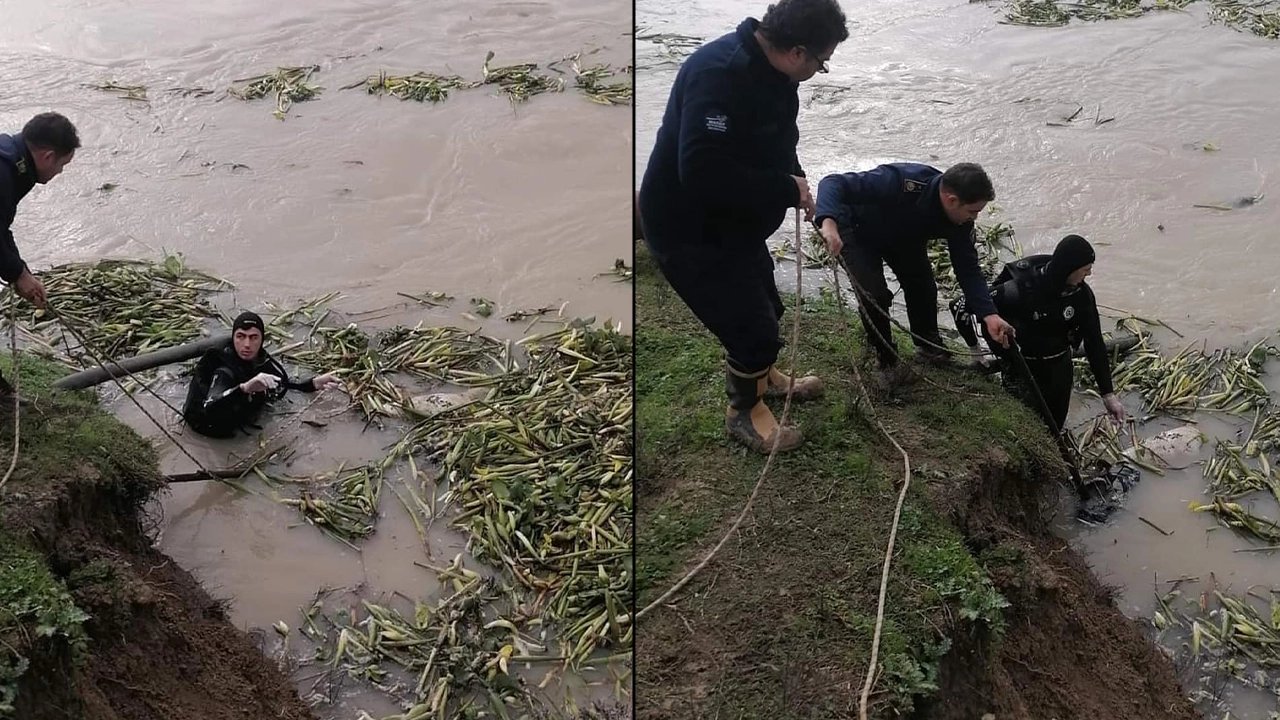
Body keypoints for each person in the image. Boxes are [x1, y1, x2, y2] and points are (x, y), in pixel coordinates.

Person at [637, 0, 849, 454]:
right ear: (797, 51)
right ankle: (744, 414)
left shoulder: (777, 77)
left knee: (767, 306)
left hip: (734, 222)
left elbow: (777, 139)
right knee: (749, 328)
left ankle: (765, 379)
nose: (818, 69)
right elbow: (700, 169)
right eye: (821, 62)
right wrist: (781, 188)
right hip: (689, 227)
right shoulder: (718, 75)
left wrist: (799, 184)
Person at [813, 162, 1016, 380]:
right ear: (952, 200)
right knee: (874, 294)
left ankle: (928, 347)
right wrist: (828, 223)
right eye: (973, 211)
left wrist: (989, 314)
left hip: (903, 237)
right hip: (855, 230)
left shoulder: (960, 221)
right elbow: (832, 183)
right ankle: (886, 360)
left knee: (923, 287)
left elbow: (968, 269)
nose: (974, 218)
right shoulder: (902, 181)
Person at [949, 234, 1126, 436]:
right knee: (1022, 429)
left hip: (1060, 367)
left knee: (1054, 429)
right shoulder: (1020, 290)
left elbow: (1094, 343)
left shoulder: (1081, 296)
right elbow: (960, 306)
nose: (1090, 274)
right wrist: (975, 350)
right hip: (1022, 369)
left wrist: (1108, 395)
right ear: (1068, 268)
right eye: (1085, 269)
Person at [1, 112, 80, 397]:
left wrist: (21, 273)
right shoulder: (4, 171)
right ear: (48, 157)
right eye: (63, 165)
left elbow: (1, 227)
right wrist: (16, 275)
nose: (60, 172)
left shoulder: (13, 161)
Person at [182, 311, 341, 438]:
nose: (247, 345)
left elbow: (284, 384)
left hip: (237, 415)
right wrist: (245, 388)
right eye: (241, 337)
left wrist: (314, 383)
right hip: (208, 426)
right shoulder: (224, 370)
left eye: (253, 337)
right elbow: (210, 406)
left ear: (262, 339)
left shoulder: (259, 360)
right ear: (233, 337)